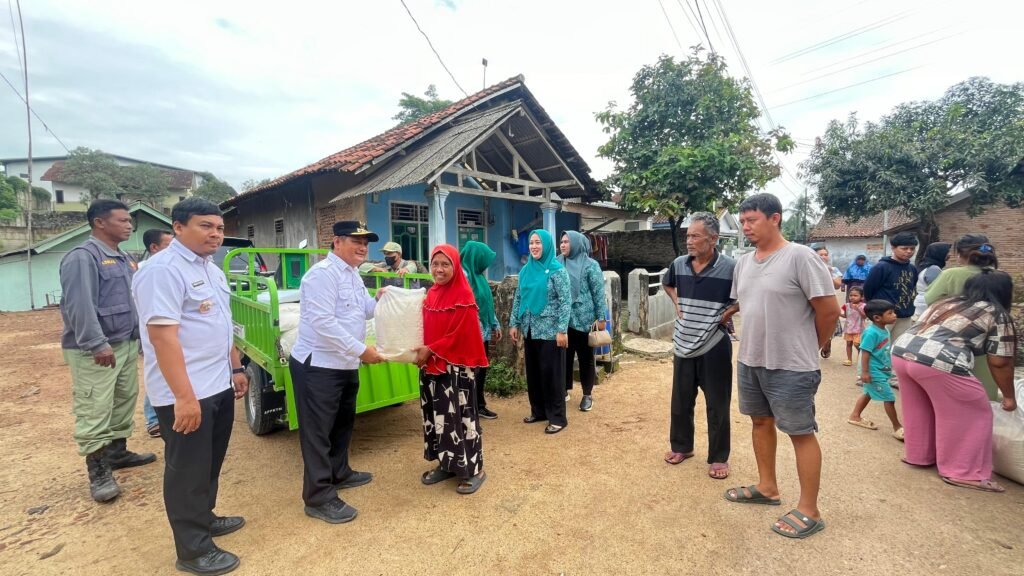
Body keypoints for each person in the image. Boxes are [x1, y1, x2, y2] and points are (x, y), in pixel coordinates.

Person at [132, 198, 249, 575]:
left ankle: (206, 518)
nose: (215, 233)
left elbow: (222, 325)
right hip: (185, 392)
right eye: (205, 226)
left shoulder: (211, 270)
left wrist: (236, 368)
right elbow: (163, 338)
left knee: (208, 463)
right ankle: (193, 551)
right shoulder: (162, 270)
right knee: (186, 470)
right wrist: (183, 397)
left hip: (216, 384)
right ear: (178, 227)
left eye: (218, 227)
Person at [723, 193, 839, 540]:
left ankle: (809, 509)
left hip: (792, 365)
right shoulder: (744, 262)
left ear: (775, 218)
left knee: (800, 433)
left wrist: (809, 348)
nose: (745, 228)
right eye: (742, 222)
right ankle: (768, 487)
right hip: (750, 359)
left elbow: (829, 311)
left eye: (752, 220)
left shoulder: (800, 257)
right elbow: (748, 304)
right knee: (760, 423)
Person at [60, 199, 155, 504]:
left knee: (123, 399)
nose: (129, 225)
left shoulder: (124, 258)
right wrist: (96, 343)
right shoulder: (82, 258)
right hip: (98, 349)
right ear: (100, 222)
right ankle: (99, 472)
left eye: (130, 221)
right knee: (95, 407)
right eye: (123, 220)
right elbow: (79, 305)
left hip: (125, 343)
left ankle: (117, 452)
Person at [288, 221, 384, 524]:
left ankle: (339, 473)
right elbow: (322, 323)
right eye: (356, 241)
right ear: (336, 242)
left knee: (342, 424)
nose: (362, 247)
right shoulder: (322, 275)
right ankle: (318, 497)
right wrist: (361, 350)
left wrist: (379, 300)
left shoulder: (354, 275)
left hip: (344, 364)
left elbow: (362, 311)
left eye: (366, 243)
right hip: (319, 366)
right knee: (318, 433)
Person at [893, 269, 1018, 493]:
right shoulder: (998, 314)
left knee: (920, 408)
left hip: (902, 353)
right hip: (940, 361)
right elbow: (1000, 362)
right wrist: (1009, 396)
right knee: (974, 412)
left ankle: (919, 455)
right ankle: (963, 472)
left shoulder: (947, 303)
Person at [660, 213, 736, 479]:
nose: (689, 241)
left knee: (718, 403)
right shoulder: (679, 264)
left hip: (714, 344)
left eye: (695, 236)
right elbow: (667, 283)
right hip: (683, 342)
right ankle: (682, 446)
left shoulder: (731, 267)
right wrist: (676, 300)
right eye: (687, 236)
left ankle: (718, 457)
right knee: (680, 401)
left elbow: (748, 294)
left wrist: (726, 314)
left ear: (713, 239)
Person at [415, 244, 490, 494]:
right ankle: (446, 463)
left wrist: (431, 349)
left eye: (445, 264)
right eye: (435, 264)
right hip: (433, 367)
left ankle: (475, 468)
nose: (439, 269)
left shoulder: (464, 296)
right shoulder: (432, 294)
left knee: (462, 418)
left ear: (455, 266)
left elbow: (460, 334)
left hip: (456, 369)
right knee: (439, 418)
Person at [509, 230, 571, 435]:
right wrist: (514, 323)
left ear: (546, 245)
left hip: (551, 331)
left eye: (538, 243)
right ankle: (539, 411)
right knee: (534, 374)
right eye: (532, 243)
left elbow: (565, 302)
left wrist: (562, 330)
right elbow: (519, 297)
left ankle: (557, 418)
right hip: (530, 329)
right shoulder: (526, 270)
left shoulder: (557, 271)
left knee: (552, 376)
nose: (534, 246)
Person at [925, 235, 1000, 400]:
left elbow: (930, 299)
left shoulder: (950, 274)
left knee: (950, 390)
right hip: (986, 339)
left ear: (960, 254)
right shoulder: (999, 276)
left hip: (951, 337)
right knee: (985, 388)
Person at [558, 231, 608, 412]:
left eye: (566, 242)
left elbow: (598, 293)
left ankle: (587, 394)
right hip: (563, 321)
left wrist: (601, 318)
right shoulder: (557, 263)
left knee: (586, 359)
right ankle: (563, 390)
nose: (563, 245)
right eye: (561, 242)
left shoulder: (591, 265)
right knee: (564, 357)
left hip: (585, 321)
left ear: (577, 244)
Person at [847, 299, 904, 440]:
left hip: (880, 370)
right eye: (890, 313)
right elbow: (865, 353)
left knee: (868, 393)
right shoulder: (872, 333)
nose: (894, 315)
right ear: (877, 318)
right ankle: (897, 427)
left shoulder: (883, 330)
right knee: (889, 398)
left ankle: (855, 416)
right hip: (873, 371)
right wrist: (865, 372)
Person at [460, 241, 501, 420]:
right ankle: (468, 409)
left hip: (482, 333)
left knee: (481, 369)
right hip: (468, 334)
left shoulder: (478, 276)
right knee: (469, 371)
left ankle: (479, 405)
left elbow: (486, 303)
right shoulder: (463, 276)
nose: (486, 264)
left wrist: (494, 324)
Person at [138, 228, 174, 438]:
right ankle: (153, 419)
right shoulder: (147, 270)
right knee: (158, 372)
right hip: (156, 332)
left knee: (167, 372)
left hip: (166, 329)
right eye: (169, 246)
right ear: (154, 247)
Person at [863, 232, 919, 346]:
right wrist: (876, 311)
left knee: (897, 349)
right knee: (876, 348)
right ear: (893, 248)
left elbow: (912, 288)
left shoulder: (912, 268)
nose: (909, 251)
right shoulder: (881, 267)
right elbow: (868, 290)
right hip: (883, 317)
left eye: (912, 249)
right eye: (904, 248)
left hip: (905, 316)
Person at [813, 244, 843, 358]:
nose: (824, 257)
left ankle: (826, 343)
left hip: (828, 300)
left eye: (826, 254)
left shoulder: (834, 270)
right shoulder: (810, 269)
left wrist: (827, 273)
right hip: (815, 301)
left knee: (829, 325)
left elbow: (837, 285)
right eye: (821, 255)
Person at [913, 242, 952, 318]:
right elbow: (939, 289)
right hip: (928, 304)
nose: (949, 254)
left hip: (921, 302)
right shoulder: (933, 269)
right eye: (947, 252)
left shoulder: (924, 265)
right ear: (939, 253)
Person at [840, 286, 866, 368]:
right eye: (851, 295)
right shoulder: (846, 306)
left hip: (858, 329)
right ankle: (849, 359)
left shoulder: (863, 306)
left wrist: (858, 309)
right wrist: (838, 313)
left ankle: (860, 359)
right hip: (849, 328)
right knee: (848, 343)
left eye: (855, 295)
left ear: (861, 297)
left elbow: (864, 317)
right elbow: (845, 315)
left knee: (857, 344)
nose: (852, 297)